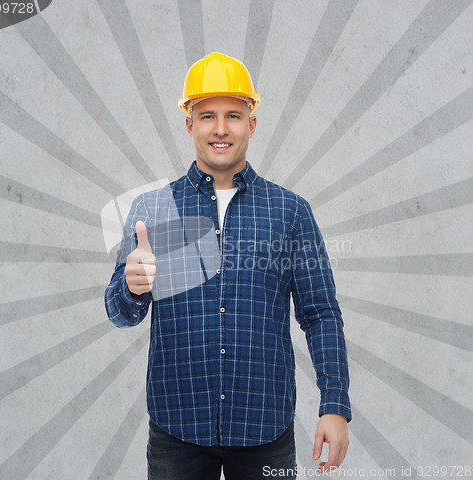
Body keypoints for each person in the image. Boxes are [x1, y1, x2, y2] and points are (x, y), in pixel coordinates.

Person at [105, 52, 351, 480]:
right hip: (176, 427)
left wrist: (334, 404)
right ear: (189, 124)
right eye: (207, 116)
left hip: (264, 428)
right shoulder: (154, 209)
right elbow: (121, 314)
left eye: (233, 115)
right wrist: (132, 287)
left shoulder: (289, 211)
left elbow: (320, 314)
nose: (221, 129)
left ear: (252, 123)